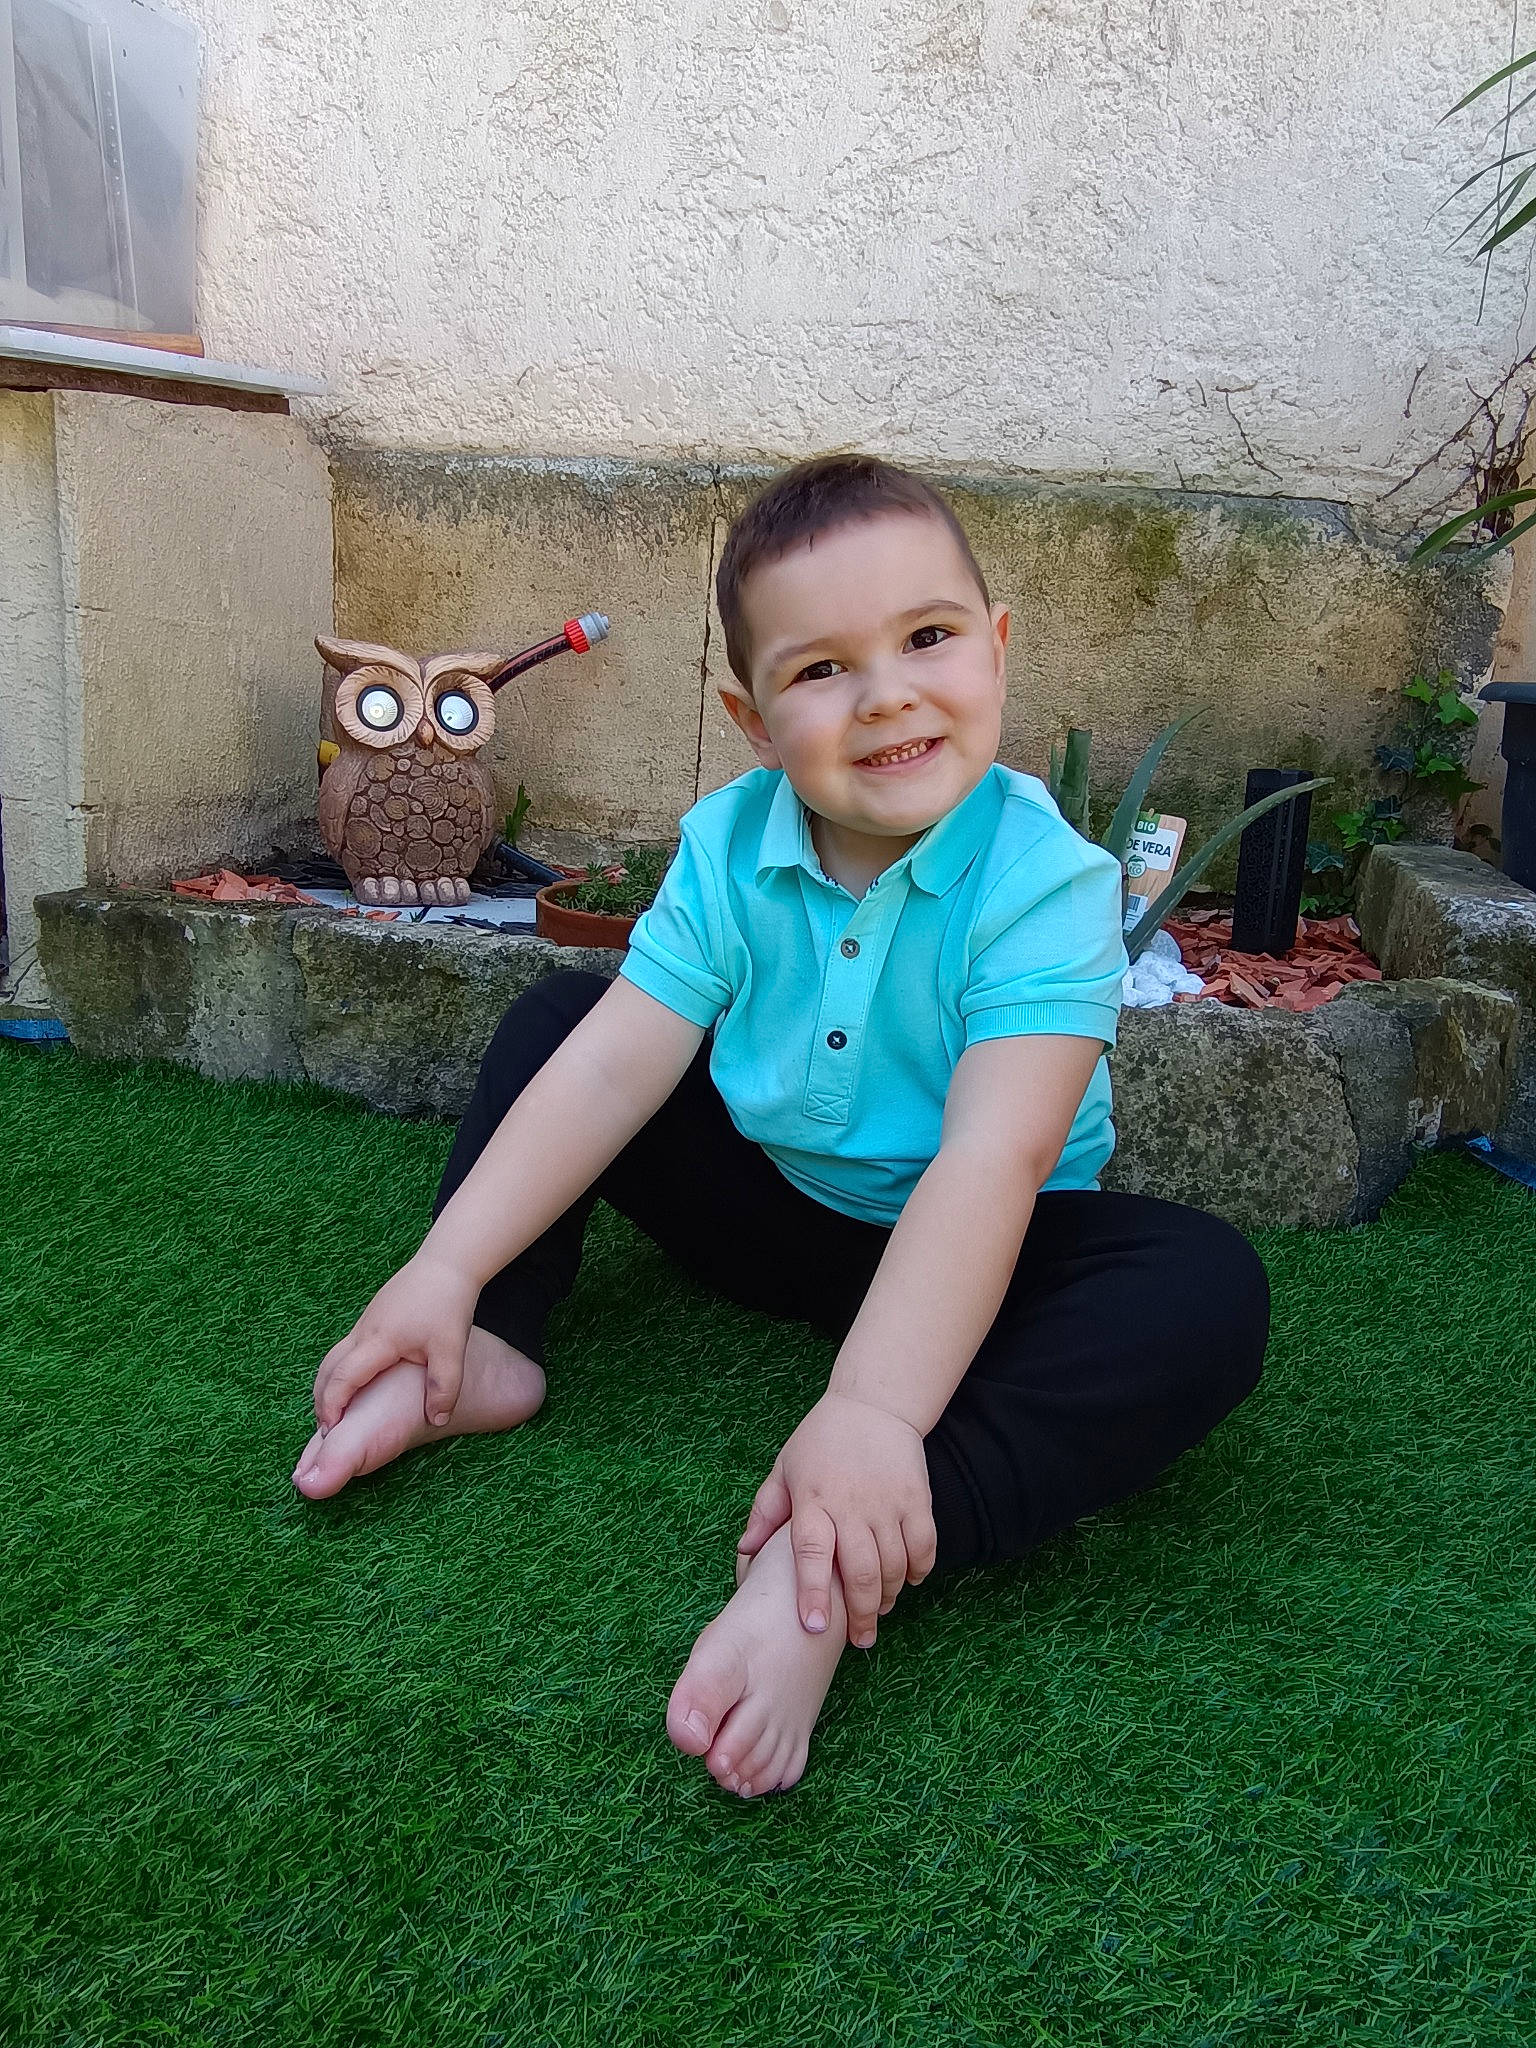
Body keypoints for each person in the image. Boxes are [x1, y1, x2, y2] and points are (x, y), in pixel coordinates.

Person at [292, 454, 1271, 1799]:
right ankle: (494, 1344)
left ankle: (839, 1553)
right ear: (753, 719)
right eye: (822, 669)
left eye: (928, 638)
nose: (888, 696)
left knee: (1203, 1290)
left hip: (982, 1263)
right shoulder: (727, 842)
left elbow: (996, 1159)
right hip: (770, 1206)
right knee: (566, 1020)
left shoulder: (1047, 881)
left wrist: (868, 1414)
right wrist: (446, 1268)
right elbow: (614, 1072)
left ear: (995, 648)